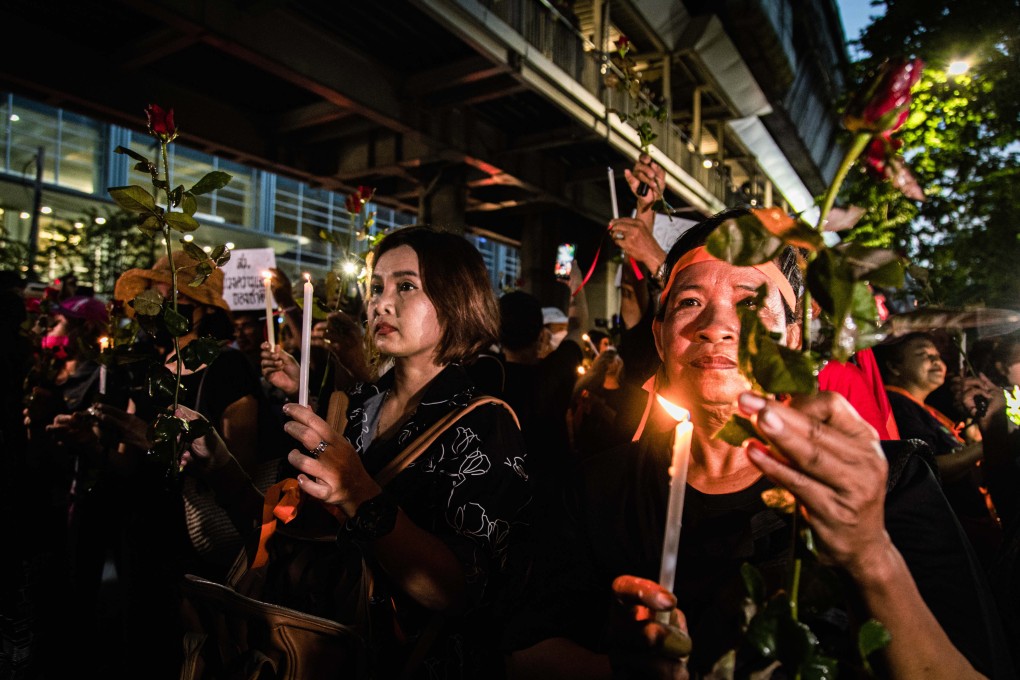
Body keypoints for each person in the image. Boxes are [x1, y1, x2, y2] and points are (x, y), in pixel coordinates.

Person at [503, 209, 1014, 679]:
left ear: (794, 338)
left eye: (751, 303)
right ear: (660, 337)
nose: (717, 327)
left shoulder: (885, 483)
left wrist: (870, 554)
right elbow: (525, 652)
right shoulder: (597, 487)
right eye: (689, 302)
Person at [181, 225, 533, 679]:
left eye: (406, 286)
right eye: (376, 287)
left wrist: (357, 490)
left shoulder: (485, 423)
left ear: (456, 299)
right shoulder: (360, 406)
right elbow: (298, 537)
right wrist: (220, 465)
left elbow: (462, 590)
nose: (381, 303)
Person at [873, 332, 1002, 569]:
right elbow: (930, 466)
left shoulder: (923, 408)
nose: (936, 361)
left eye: (937, 355)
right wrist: (990, 443)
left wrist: (976, 423)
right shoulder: (900, 406)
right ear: (894, 366)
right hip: (949, 531)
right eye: (924, 355)